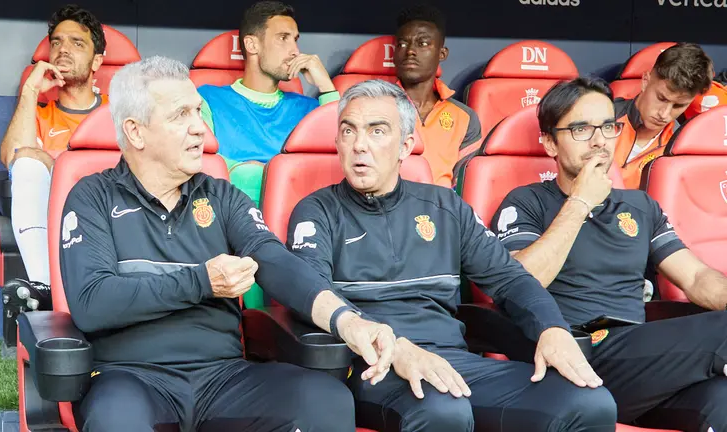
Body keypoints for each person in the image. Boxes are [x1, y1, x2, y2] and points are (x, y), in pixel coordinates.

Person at [59, 56, 396, 432]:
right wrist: (201, 282)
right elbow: (92, 303)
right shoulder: (92, 197)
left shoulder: (222, 196)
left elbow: (275, 261)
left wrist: (347, 320)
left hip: (223, 378)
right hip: (129, 379)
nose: (200, 129)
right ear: (136, 132)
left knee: (326, 400)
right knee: (116, 420)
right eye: (180, 115)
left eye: (198, 113)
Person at [287, 79, 617, 432]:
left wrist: (552, 328)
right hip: (372, 365)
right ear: (336, 142)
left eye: (377, 131)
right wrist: (395, 348)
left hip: (454, 361)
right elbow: (311, 299)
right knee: (444, 411)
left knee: (590, 403)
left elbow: (510, 278)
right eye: (348, 131)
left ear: (405, 145)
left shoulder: (444, 207)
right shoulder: (316, 211)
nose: (359, 145)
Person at [491, 76, 727, 431]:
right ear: (550, 143)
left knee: (721, 401)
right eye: (582, 129)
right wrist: (580, 202)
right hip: (577, 355)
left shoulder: (640, 206)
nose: (600, 140)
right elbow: (522, 281)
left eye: (607, 126)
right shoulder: (526, 202)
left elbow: (694, 277)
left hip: (642, 363)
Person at [0, 4, 107, 310]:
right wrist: (31, 90)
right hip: (58, 219)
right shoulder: (39, 114)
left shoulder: (116, 111)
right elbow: (11, 158)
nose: (63, 50)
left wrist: (56, 163)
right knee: (28, 163)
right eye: (56, 42)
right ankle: (44, 289)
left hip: (111, 218)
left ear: (97, 60)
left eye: (77, 43)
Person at [197, 0, 340, 205]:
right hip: (231, 217)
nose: (295, 51)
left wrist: (326, 86)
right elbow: (198, 163)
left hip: (300, 221)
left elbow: (343, 155)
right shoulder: (209, 99)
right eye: (283, 38)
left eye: (295, 40)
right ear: (252, 45)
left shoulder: (310, 109)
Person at [393, 4, 482, 189]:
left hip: (444, 213)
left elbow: (466, 185)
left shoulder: (464, 117)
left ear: (442, 53)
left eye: (422, 43)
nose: (410, 51)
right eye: (402, 44)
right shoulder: (378, 107)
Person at [613, 42, 712, 189]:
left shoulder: (682, 146)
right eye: (661, 98)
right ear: (645, 81)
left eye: (678, 106)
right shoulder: (602, 118)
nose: (664, 114)